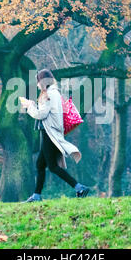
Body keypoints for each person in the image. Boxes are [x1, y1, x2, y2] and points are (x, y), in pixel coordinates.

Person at [19, 69, 89, 203]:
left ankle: (79, 187)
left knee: (52, 166)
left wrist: (29, 106)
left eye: (38, 82)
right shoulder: (55, 93)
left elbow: (41, 115)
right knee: (40, 164)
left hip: (49, 134)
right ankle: (36, 196)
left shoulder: (48, 95)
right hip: (52, 133)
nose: (37, 85)